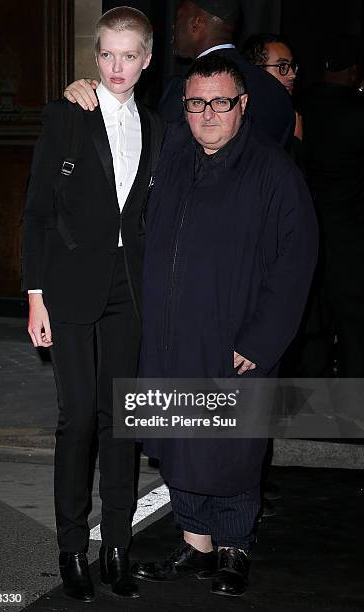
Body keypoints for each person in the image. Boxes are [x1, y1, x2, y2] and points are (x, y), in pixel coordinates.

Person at [131, 54, 318, 597]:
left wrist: (261, 341)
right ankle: (197, 548)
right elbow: (114, 139)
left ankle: (234, 550)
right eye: (196, 103)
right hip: (170, 337)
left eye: (220, 102)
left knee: (232, 449)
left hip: (235, 342)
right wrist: (81, 97)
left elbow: (296, 265)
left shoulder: (274, 173)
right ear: (183, 109)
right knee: (179, 444)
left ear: (243, 106)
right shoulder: (170, 157)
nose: (208, 113)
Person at [21, 6, 163, 602]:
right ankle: (72, 548)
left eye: (129, 55)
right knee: (77, 419)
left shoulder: (156, 127)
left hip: (128, 292)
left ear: (147, 59)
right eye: (106, 54)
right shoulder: (68, 114)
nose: (117, 66)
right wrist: (34, 297)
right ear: (95, 56)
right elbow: (37, 213)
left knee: (120, 424)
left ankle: (118, 549)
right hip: (70, 287)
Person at [64, 0, 295, 151]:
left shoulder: (185, 88)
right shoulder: (277, 92)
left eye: (178, 20)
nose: (173, 30)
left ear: (196, 24)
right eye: (107, 55)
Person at [296, 37, 364, 377]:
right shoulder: (359, 112)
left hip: (302, 232)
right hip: (348, 240)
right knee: (353, 329)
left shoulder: (300, 102)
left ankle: (304, 417)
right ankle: (351, 419)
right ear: (354, 73)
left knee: (307, 326)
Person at [242, 32, 303, 144]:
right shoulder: (247, 117)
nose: (292, 74)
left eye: (291, 66)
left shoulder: (284, 111)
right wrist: (295, 142)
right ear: (257, 70)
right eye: (282, 66)